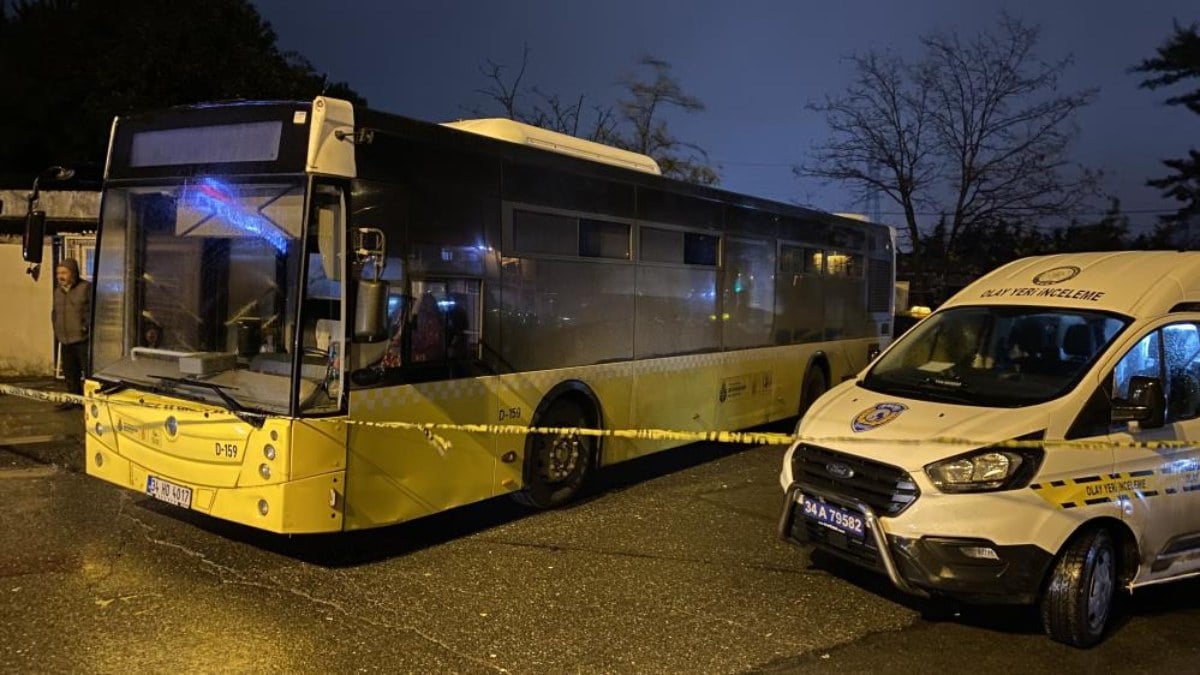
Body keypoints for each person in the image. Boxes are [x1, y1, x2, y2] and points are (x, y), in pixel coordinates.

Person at [51, 258, 91, 410]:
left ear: (73, 273)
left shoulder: (86, 288)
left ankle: (89, 401)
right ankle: (74, 399)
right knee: (70, 372)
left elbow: (92, 311)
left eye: (63, 273)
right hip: (65, 339)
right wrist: (57, 329)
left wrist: (86, 327)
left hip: (82, 339)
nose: (60, 276)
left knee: (87, 372)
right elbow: (55, 312)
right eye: (58, 273)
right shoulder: (58, 292)